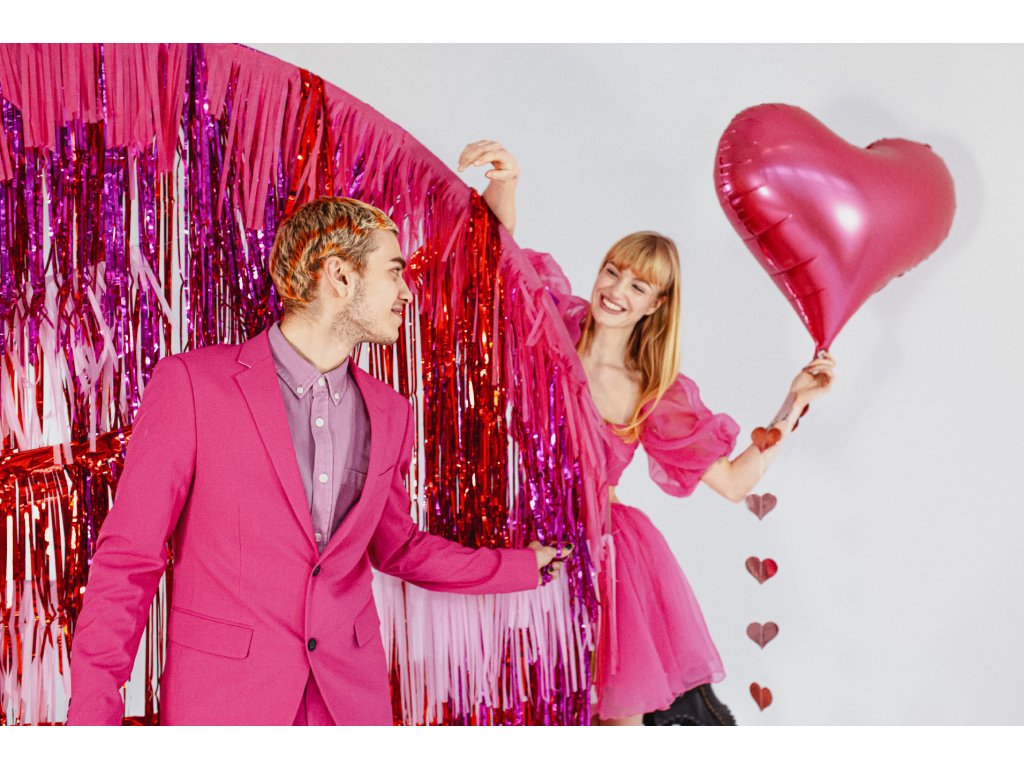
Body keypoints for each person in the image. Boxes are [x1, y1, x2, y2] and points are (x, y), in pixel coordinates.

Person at [67, 196, 564, 726]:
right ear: (340, 277)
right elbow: (129, 561)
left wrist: (518, 567)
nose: (405, 292)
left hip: (349, 704)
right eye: (393, 272)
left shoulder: (391, 412)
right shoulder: (191, 385)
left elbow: (398, 547)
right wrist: (91, 729)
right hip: (226, 704)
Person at [459, 140, 836, 726]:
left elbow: (734, 483)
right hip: (520, 539)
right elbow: (496, 254)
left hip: (605, 556)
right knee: (521, 709)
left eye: (637, 287)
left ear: (656, 306)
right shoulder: (554, 323)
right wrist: (506, 183)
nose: (616, 291)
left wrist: (795, 404)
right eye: (613, 272)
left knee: (615, 720)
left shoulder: (651, 389)